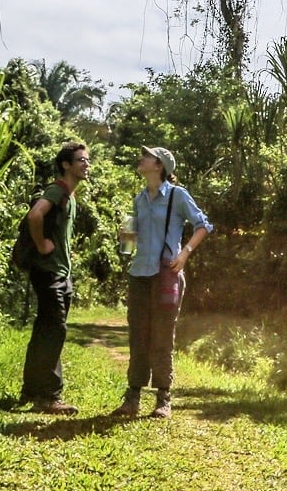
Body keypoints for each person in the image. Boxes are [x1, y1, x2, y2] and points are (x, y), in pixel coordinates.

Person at [114, 145, 212, 419]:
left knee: (162, 336)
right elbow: (129, 245)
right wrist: (126, 236)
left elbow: (203, 225)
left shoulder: (177, 196)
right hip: (139, 274)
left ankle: (163, 399)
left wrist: (184, 254)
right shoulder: (139, 199)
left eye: (147, 156)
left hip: (166, 274)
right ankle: (132, 398)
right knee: (138, 335)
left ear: (159, 166)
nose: (141, 158)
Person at [19, 140, 90, 415]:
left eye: (87, 160)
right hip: (49, 271)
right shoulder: (57, 190)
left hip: (61, 272)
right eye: (81, 160)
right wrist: (41, 245)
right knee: (54, 329)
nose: (87, 165)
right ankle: (48, 396)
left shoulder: (70, 197)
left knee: (44, 329)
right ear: (66, 165)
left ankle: (31, 390)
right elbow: (35, 215)